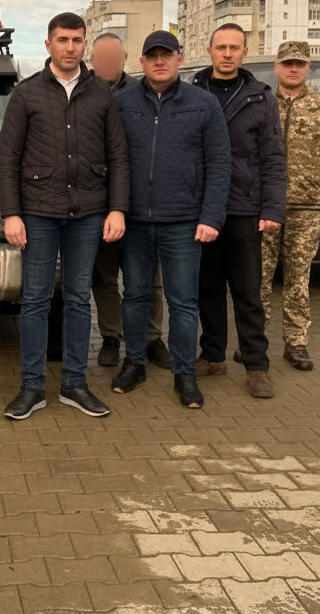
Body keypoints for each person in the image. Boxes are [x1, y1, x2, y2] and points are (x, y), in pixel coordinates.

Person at [0, 12, 129, 420]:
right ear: (48, 45)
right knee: (35, 300)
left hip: (88, 213)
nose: (70, 47)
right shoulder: (26, 94)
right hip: (37, 212)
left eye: (76, 39)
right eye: (62, 40)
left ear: (84, 44)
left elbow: (118, 156)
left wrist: (117, 208)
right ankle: (32, 387)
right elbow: (8, 158)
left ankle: (75, 383)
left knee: (77, 299)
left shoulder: (100, 95)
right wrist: (11, 214)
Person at [112, 30, 230, 409]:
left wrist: (211, 215)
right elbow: (112, 160)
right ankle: (135, 362)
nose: (159, 61)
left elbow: (219, 163)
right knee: (135, 298)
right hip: (134, 221)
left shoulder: (204, 103)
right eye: (152, 56)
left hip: (184, 221)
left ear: (180, 59)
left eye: (167, 55)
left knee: (182, 302)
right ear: (141, 62)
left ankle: (185, 373)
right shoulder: (121, 102)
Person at [191, 24, 285, 399]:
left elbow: (273, 158)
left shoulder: (261, 98)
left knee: (248, 292)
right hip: (202, 210)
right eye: (221, 47)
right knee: (207, 288)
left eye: (235, 48)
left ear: (245, 51)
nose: (227, 54)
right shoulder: (192, 93)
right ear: (209, 50)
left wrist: (273, 207)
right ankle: (212, 355)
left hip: (245, 209)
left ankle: (256, 364)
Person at [260, 41, 320, 370]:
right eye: (287, 63)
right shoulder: (261, 105)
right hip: (264, 208)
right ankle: (254, 341)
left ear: (308, 68)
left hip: (306, 207)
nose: (293, 68)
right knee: (257, 278)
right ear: (277, 67)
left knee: (298, 278)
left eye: (299, 64)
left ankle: (296, 342)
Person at [88, 32, 170, 369]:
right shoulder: (81, 92)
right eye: (101, 57)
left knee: (150, 278)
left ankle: (152, 339)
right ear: (91, 60)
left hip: (140, 204)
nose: (107, 63)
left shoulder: (143, 92)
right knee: (104, 276)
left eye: (114, 57)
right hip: (95, 202)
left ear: (126, 59)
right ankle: (110, 336)